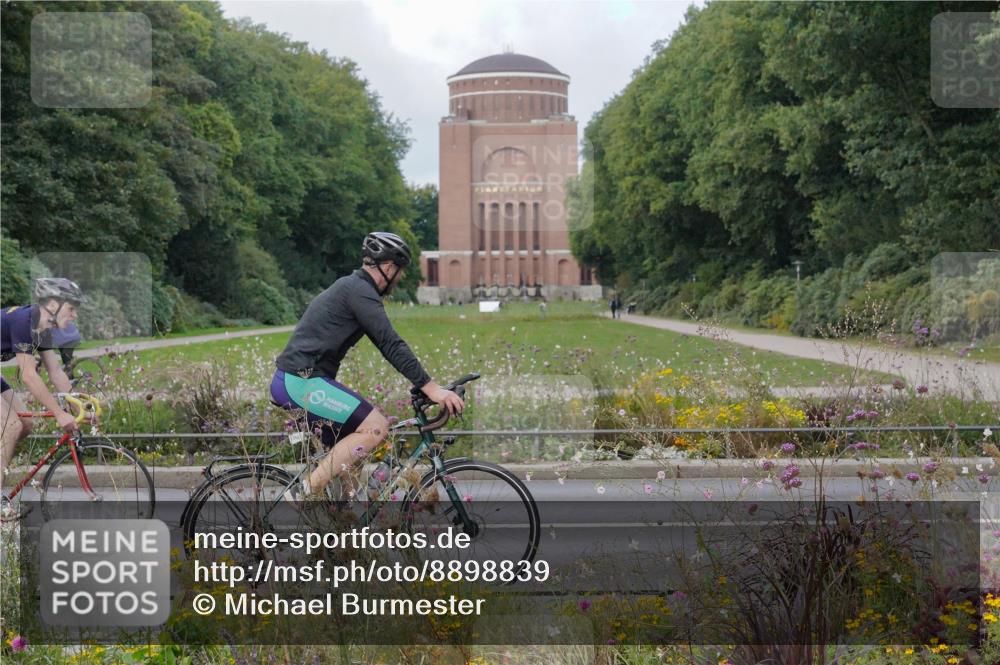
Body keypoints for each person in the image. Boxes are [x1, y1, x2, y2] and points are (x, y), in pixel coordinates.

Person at [270, 231, 464, 501]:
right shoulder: (360, 292)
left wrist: (424, 385)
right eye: (400, 271)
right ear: (389, 268)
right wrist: (432, 389)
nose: (399, 278)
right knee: (375, 428)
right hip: (299, 382)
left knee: (353, 460)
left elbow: (387, 345)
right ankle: (304, 492)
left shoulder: (354, 288)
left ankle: (343, 519)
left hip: (302, 381)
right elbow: (390, 343)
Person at [1, 278, 85, 519]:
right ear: (53, 305)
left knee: (26, 423)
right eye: (71, 308)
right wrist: (59, 413)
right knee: (10, 425)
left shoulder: (43, 330)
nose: (75, 315)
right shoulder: (23, 321)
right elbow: (29, 375)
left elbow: (56, 372)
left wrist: (78, 407)